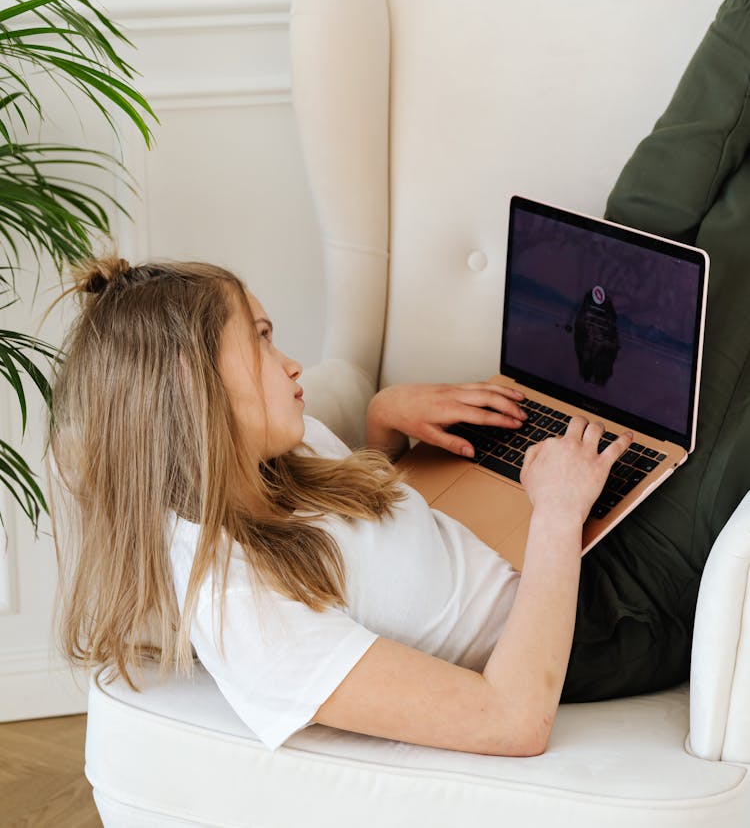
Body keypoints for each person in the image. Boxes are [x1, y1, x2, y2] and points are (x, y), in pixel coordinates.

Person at [49, 255, 632, 757]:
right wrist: (557, 512)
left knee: (652, 236)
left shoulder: (273, 453)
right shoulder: (242, 609)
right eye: (259, 338)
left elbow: (372, 564)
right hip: (592, 626)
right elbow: (513, 720)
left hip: (547, 547)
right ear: (191, 383)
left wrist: (385, 425)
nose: (291, 363)